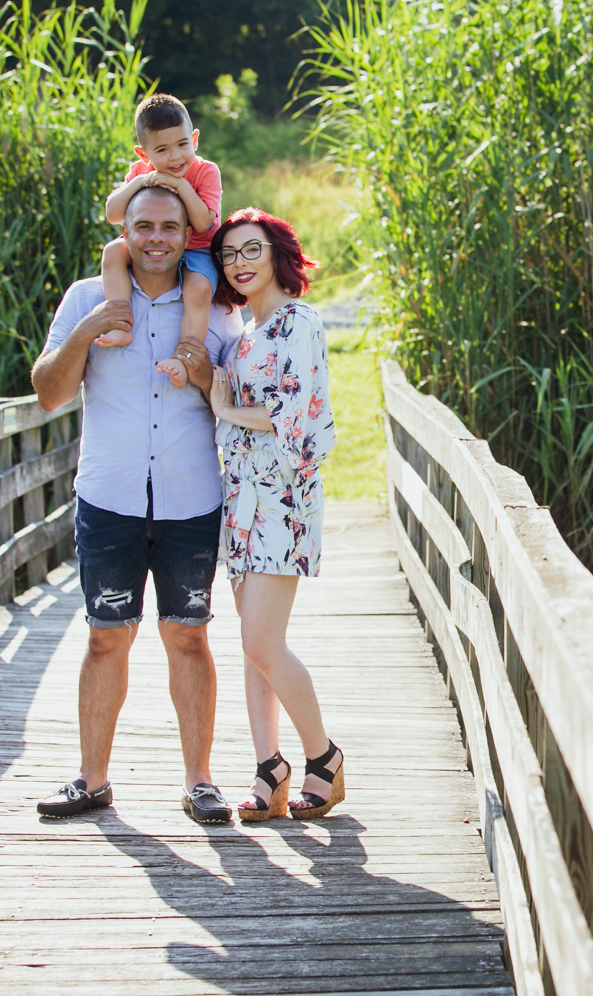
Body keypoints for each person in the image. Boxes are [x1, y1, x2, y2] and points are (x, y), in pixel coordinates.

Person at [30, 185, 238, 824]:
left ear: (186, 233)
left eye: (168, 227)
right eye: (143, 226)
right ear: (126, 228)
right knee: (104, 639)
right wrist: (89, 333)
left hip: (190, 498)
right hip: (110, 496)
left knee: (190, 638)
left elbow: (233, 406)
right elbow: (46, 393)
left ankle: (199, 782)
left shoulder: (216, 310)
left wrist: (204, 373)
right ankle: (92, 782)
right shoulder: (88, 298)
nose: (155, 239)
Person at [207, 207, 343, 821]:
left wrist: (225, 407)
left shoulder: (298, 323)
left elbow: (298, 419)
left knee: (262, 639)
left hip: (282, 501)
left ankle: (324, 758)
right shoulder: (241, 338)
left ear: (276, 252)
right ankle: (269, 768)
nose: (239, 262)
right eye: (229, 254)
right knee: (253, 644)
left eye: (249, 249)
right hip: (240, 503)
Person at [97, 94, 222, 390]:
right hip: (153, 246)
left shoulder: (206, 171)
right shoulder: (141, 172)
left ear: (195, 139)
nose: (176, 157)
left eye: (182, 144)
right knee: (113, 251)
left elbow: (204, 223)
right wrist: (140, 182)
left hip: (197, 249)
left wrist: (179, 185)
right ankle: (120, 325)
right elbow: (113, 215)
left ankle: (184, 355)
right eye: (162, 150)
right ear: (144, 154)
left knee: (199, 289)